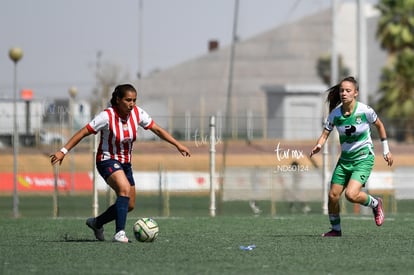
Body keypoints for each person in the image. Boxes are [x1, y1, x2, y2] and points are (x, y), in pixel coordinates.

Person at [50, 84, 191, 243]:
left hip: (125, 164)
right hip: (106, 160)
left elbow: (157, 130)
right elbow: (83, 132)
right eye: (128, 100)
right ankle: (119, 233)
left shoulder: (138, 113)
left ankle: (97, 223)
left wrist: (178, 144)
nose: (132, 104)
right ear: (118, 100)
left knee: (129, 204)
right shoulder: (107, 116)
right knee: (124, 189)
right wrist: (63, 151)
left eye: (134, 100)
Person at [310, 76, 393, 237]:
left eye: (348, 90)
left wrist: (386, 150)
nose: (344, 93)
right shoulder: (335, 114)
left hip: (363, 158)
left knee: (351, 195)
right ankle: (336, 230)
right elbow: (325, 134)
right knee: (333, 196)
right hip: (345, 160)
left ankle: (376, 203)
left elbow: (380, 126)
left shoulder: (365, 110)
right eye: (342, 90)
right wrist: (319, 145)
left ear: (356, 93)